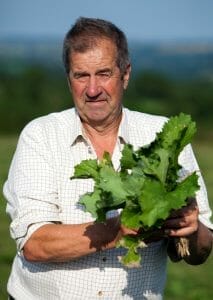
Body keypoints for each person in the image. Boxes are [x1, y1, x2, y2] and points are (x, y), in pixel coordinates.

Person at [3, 17, 213, 300]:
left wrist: (191, 229)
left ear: (125, 75)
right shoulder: (41, 135)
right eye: (81, 76)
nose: (92, 89)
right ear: (69, 79)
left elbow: (201, 250)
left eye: (103, 74)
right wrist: (120, 228)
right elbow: (35, 244)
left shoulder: (164, 138)